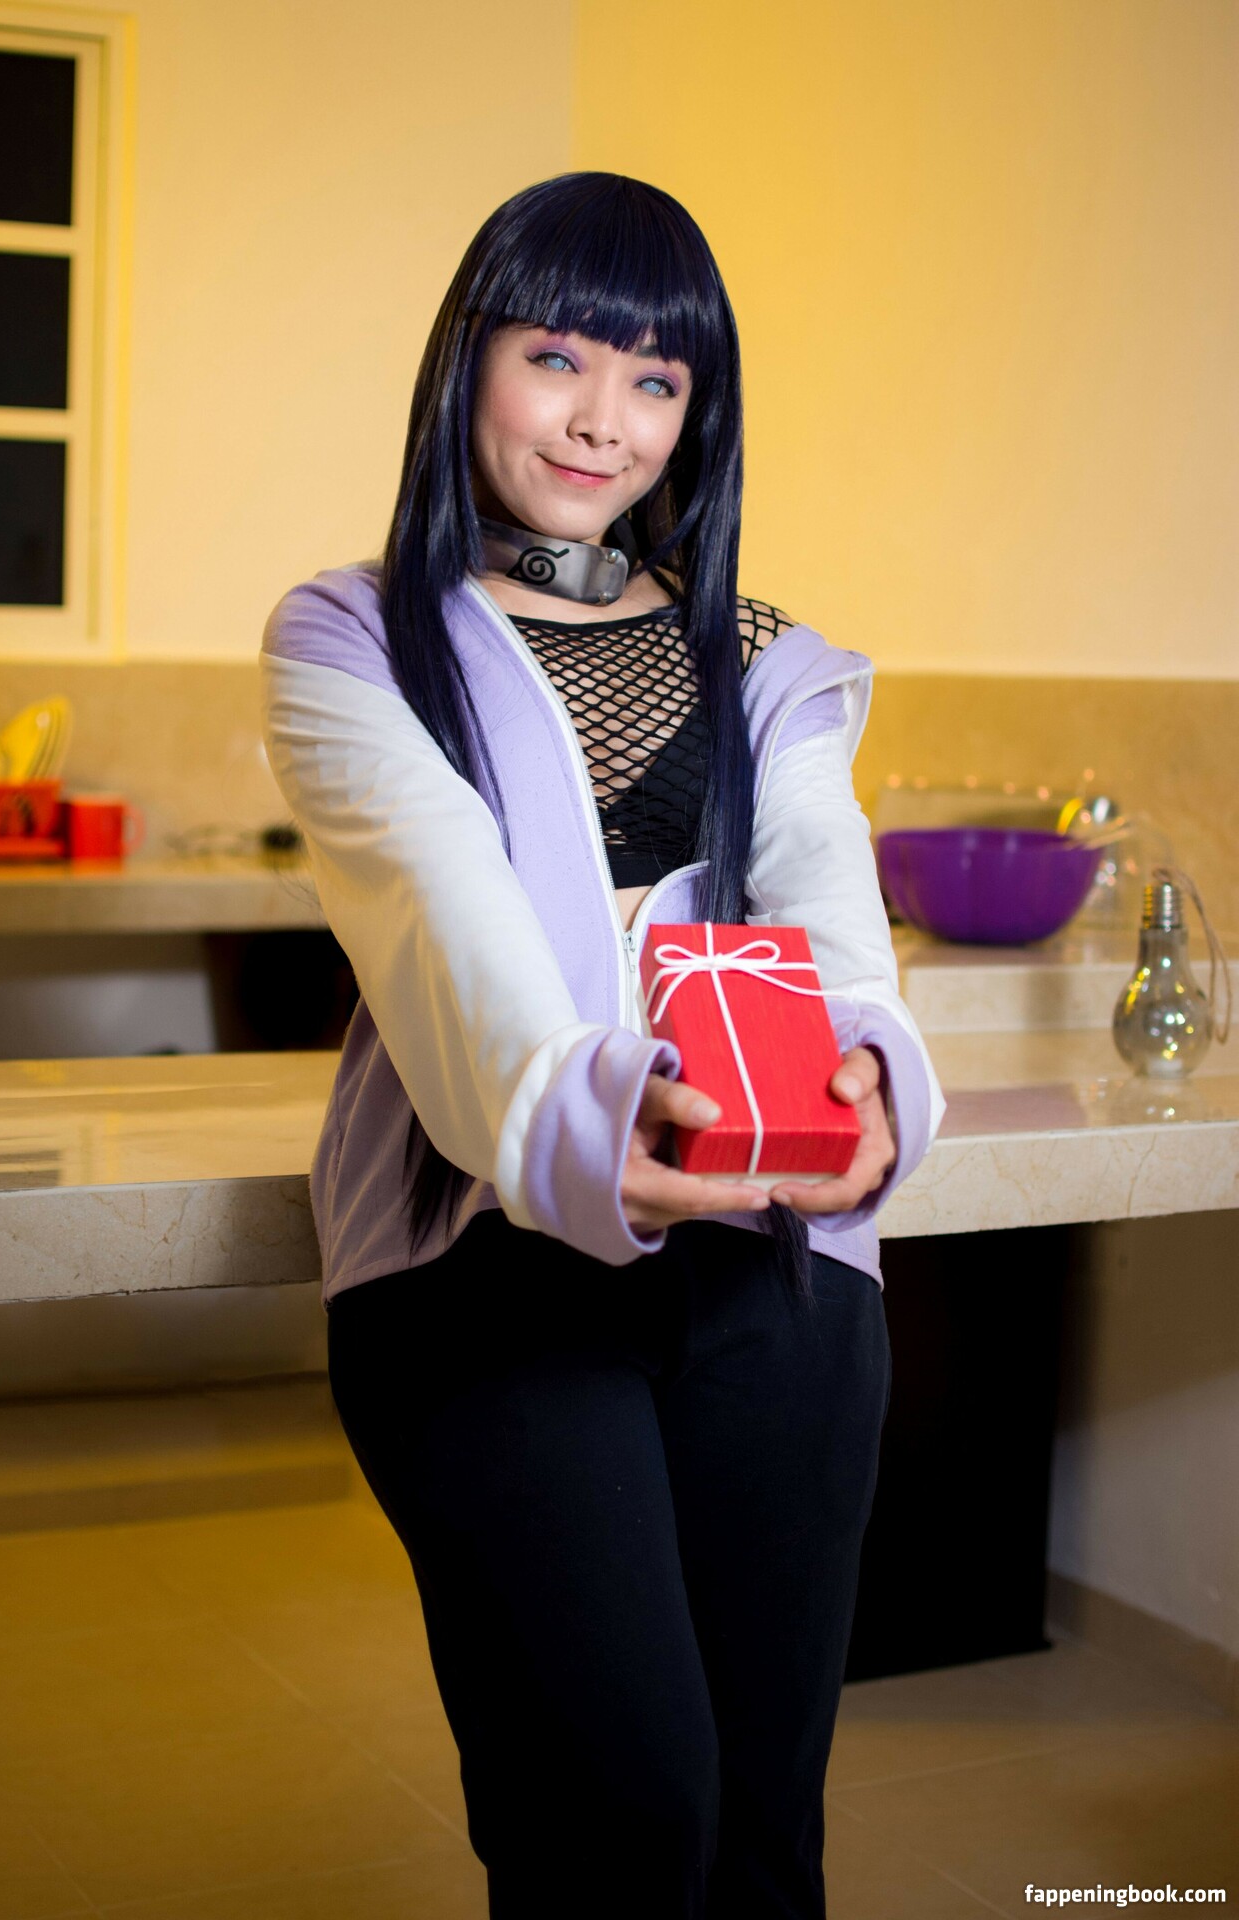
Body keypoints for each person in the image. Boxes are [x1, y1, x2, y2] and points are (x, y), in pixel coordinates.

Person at [261, 171, 945, 1920]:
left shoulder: (767, 656)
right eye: (558, 356)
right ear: (468, 361)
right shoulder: (355, 635)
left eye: (657, 379)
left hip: (774, 1258)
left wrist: (869, 1063)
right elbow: (441, 916)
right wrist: (587, 1108)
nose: (602, 421)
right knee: (621, 1820)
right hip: (481, 1262)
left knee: (765, 1835)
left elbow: (822, 884)